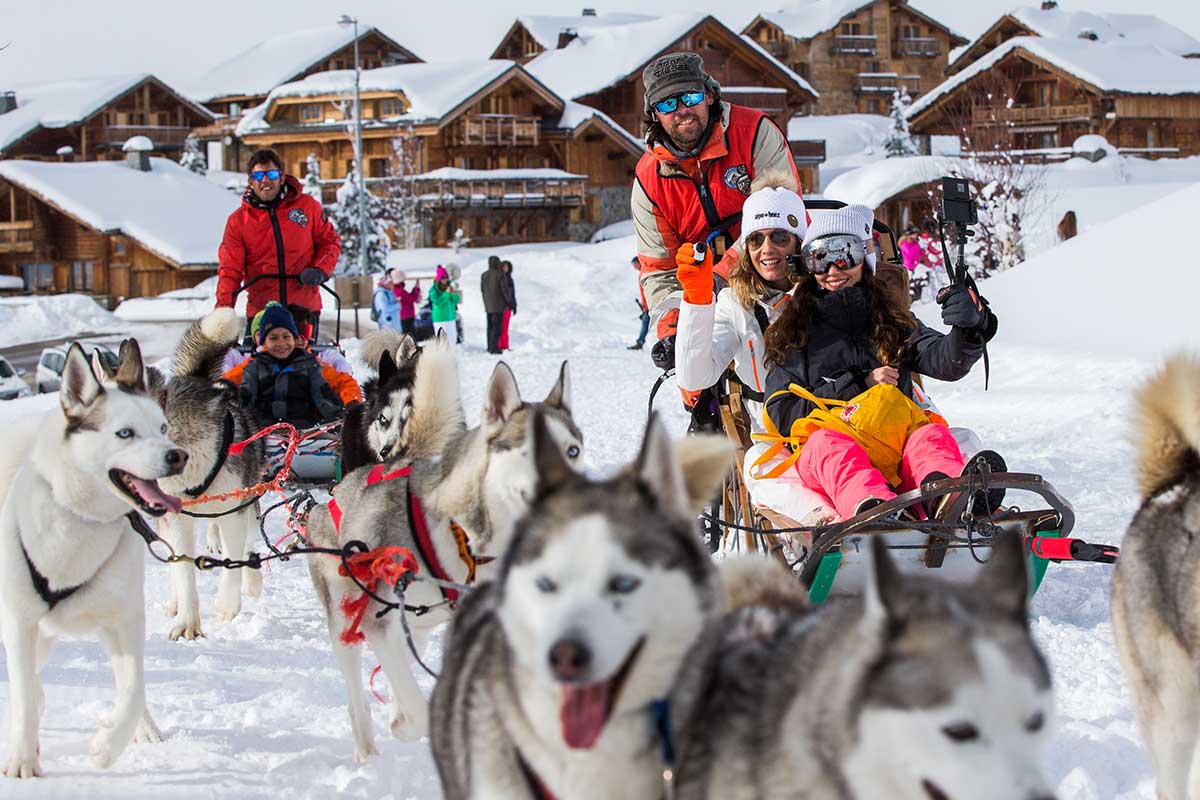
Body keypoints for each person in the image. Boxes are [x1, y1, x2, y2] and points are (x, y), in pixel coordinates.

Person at [760, 204, 999, 521]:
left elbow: (944, 360)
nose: (833, 270)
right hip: (829, 449)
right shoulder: (794, 332)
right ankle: (873, 510)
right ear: (808, 266)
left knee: (928, 436)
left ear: (864, 258)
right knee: (828, 446)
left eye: (844, 253)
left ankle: (948, 498)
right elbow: (781, 410)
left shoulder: (890, 320)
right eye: (821, 258)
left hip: (892, 442)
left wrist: (970, 329)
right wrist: (859, 385)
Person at [631, 51, 802, 367]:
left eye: (690, 97)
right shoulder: (648, 180)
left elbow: (782, 215)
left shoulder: (753, 132)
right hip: (699, 294)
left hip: (772, 272)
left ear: (709, 96)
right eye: (668, 104)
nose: (682, 111)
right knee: (698, 385)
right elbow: (658, 268)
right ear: (654, 114)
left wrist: (720, 279)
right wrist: (672, 328)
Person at [675, 174, 805, 433]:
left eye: (779, 237)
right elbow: (695, 377)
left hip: (825, 420)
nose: (766, 249)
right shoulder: (734, 303)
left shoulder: (820, 291)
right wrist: (697, 301)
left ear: (798, 242)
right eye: (756, 239)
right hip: (766, 432)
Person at [216, 148, 341, 340]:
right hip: (262, 311)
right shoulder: (239, 221)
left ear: (282, 178)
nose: (265, 180)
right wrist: (223, 312)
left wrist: (319, 270)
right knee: (257, 365)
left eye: (271, 174)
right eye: (258, 175)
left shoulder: (307, 207)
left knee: (304, 364)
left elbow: (330, 241)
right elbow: (230, 270)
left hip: (303, 309)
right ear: (251, 181)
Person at [225, 303, 353, 430]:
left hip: (304, 429)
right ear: (264, 342)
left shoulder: (310, 364)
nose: (281, 343)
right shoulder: (255, 365)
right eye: (273, 338)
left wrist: (340, 417)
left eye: (286, 337)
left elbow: (323, 395)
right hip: (264, 430)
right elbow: (244, 396)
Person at [481, 256, 511, 354]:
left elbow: (482, 290)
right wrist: (509, 302)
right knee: (497, 327)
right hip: (499, 306)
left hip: (488, 306)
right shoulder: (500, 275)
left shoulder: (484, 275)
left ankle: (489, 346)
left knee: (489, 327)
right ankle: (495, 348)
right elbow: (504, 290)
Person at [918, 218, 949, 303]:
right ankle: (935, 298)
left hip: (938, 262)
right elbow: (924, 251)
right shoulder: (925, 238)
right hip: (931, 264)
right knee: (934, 282)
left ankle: (942, 296)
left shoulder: (935, 236)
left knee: (941, 280)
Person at [429, 265, 461, 345]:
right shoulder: (433, 290)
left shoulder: (449, 287)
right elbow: (438, 303)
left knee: (452, 340)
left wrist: (453, 294)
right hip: (440, 319)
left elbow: (456, 300)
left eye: (446, 277)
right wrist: (446, 293)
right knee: (442, 342)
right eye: (443, 277)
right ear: (439, 278)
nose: (445, 279)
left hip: (450, 317)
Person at [629, 256, 650, 351]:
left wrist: (646, 305)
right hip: (647, 304)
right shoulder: (643, 273)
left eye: (634, 265)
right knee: (646, 322)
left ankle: (640, 342)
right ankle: (640, 341)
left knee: (646, 322)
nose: (634, 267)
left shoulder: (645, 273)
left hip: (650, 304)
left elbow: (647, 291)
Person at [391, 269, 421, 336]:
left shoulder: (395, 290)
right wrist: (416, 288)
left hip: (403, 316)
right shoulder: (399, 291)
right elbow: (412, 299)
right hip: (406, 317)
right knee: (410, 336)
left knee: (406, 335)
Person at [498, 260, 516, 352]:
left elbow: (513, 294)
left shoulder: (510, 279)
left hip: (508, 306)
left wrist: (514, 305)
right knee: (500, 327)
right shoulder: (499, 278)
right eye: (504, 266)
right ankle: (500, 346)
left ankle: (506, 345)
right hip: (500, 306)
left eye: (507, 267)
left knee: (505, 327)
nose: (505, 268)